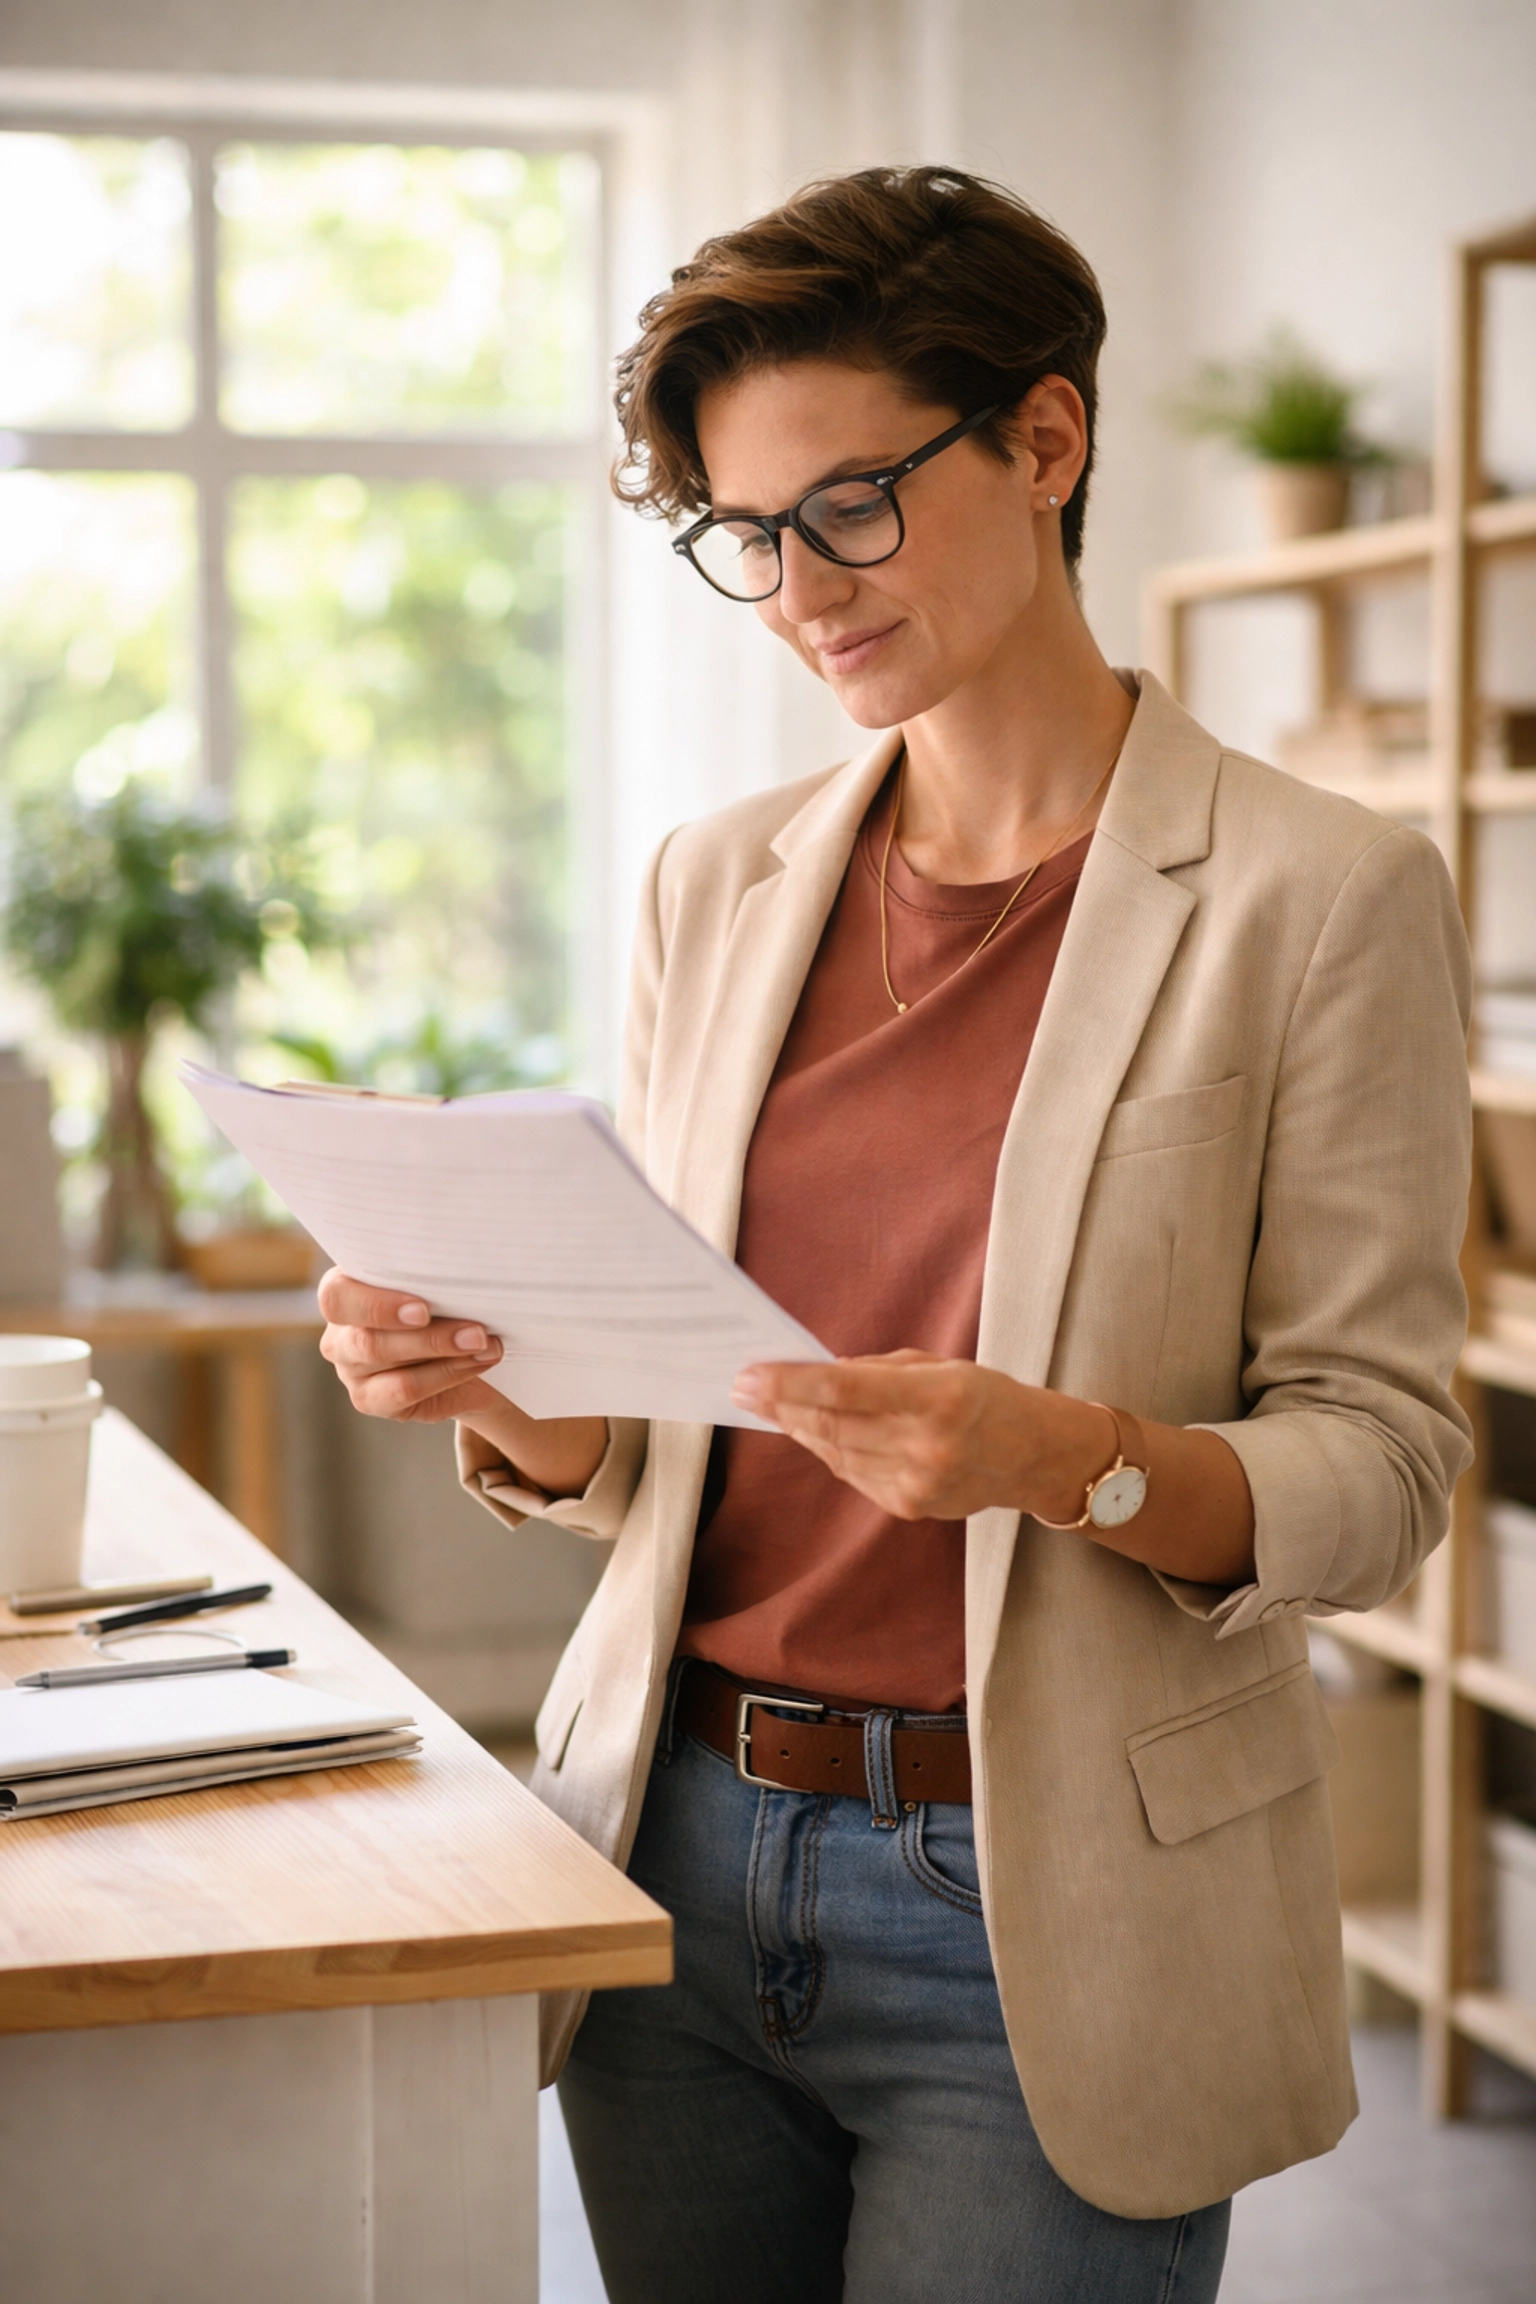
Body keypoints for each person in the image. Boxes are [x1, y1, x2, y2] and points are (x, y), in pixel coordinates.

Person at [318, 167, 1473, 2303]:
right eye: (745, 537)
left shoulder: (1324, 893)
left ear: (1047, 442)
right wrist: (512, 1393)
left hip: (1044, 1916)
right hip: (672, 1849)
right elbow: (664, 1443)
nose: (796, 590)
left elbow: (1389, 1468)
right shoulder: (716, 882)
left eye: (847, 505)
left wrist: (1067, 1459)